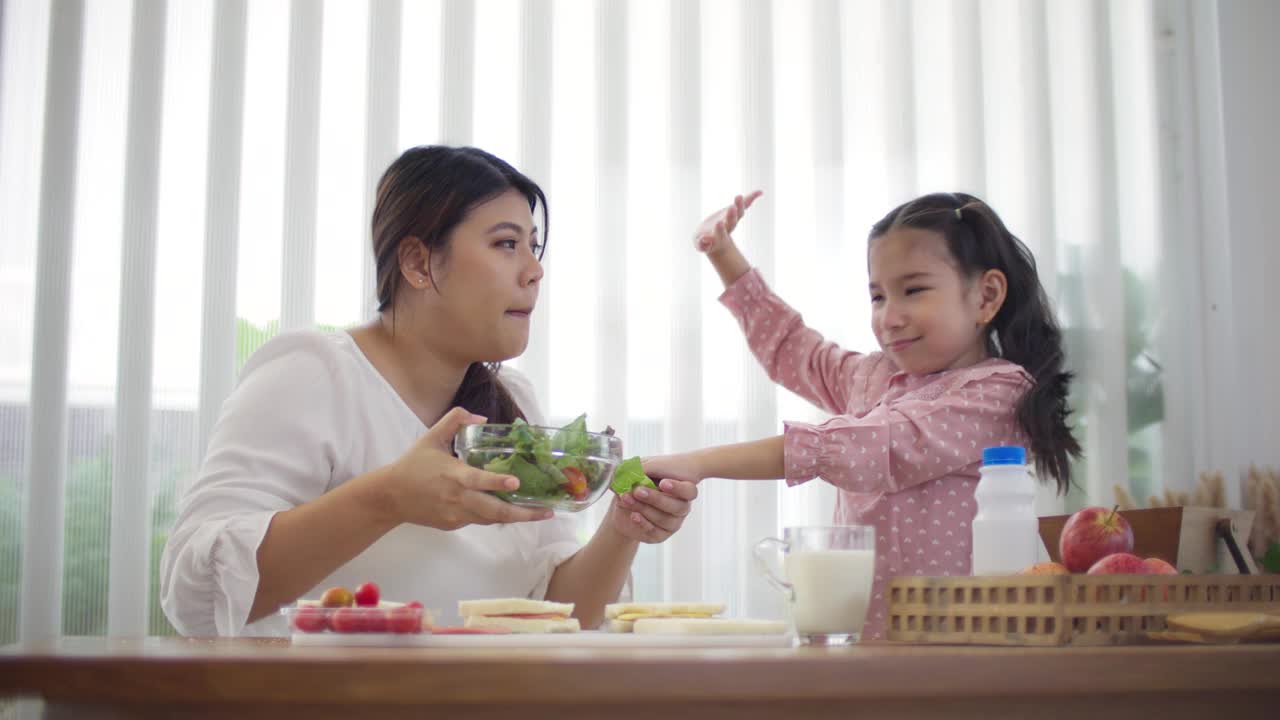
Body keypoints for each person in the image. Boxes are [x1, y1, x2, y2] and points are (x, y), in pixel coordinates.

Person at [161, 146, 697, 636]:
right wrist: (389, 497)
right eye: (506, 244)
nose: (534, 271)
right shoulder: (314, 372)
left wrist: (622, 529)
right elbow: (195, 596)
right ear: (418, 263)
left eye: (533, 249)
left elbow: (556, 617)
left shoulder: (513, 404)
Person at [643, 191, 1080, 641]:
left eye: (913, 290)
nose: (889, 317)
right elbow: (794, 349)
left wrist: (701, 463)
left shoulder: (999, 394)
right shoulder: (873, 376)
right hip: (866, 645)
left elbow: (871, 444)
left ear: (986, 296)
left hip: (957, 654)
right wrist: (723, 253)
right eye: (877, 296)